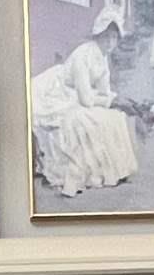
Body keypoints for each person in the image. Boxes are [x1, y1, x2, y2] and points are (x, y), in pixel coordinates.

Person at [31, 38, 139, 196]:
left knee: (112, 118)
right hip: (55, 91)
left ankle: (111, 169)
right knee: (82, 120)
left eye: (114, 38)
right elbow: (86, 100)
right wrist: (111, 101)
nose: (110, 42)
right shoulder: (83, 54)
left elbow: (103, 91)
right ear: (99, 36)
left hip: (76, 93)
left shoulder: (102, 57)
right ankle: (79, 171)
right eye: (107, 37)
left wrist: (114, 100)